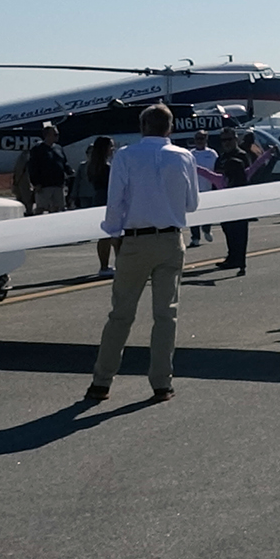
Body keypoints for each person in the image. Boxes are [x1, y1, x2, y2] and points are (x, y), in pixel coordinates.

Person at [86, 103, 198, 403]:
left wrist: (114, 233)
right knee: (165, 316)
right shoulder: (184, 157)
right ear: (170, 128)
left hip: (135, 241)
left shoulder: (125, 156)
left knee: (121, 314)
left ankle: (102, 382)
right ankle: (161, 383)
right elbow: (191, 204)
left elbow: (115, 202)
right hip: (171, 240)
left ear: (143, 127)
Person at [71, 135, 118, 278]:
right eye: (111, 146)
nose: (113, 149)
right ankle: (108, 266)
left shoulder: (92, 165)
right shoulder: (106, 167)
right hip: (107, 199)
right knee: (113, 235)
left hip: (98, 198)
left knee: (105, 236)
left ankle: (105, 265)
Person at [215, 133, 253, 275]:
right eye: (224, 140)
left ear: (236, 140)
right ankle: (232, 257)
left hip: (239, 199)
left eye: (229, 139)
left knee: (239, 230)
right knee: (228, 229)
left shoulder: (242, 155)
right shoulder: (221, 158)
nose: (226, 143)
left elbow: (249, 174)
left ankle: (240, 259)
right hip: (223, 199)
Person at [28, 124, 71, 214]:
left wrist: (69, 171)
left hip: (58, 185)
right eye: (55, 134)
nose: (57, 136)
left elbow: (64, 162)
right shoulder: (38, 149)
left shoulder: (58, 148)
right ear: (47, 135)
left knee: (59, 208)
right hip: (44, 186)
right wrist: (36, 183)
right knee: (42, 208)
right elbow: (33, 167)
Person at [188, 130, 217, 248]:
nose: (199, 141)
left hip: (208, 187)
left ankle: (206, 229)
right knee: (194, 214)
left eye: (202, 139)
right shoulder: (190, 154)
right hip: (194, 189)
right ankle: (195, 237)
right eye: (197, 139)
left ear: (206, 140)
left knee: (207, 212)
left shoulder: (212, 154)